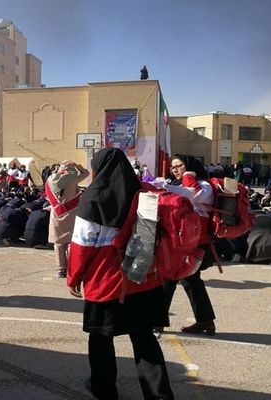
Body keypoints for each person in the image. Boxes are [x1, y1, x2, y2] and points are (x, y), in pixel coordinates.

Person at [68, 148, 174, 400]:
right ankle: (159, 395)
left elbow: (81, 246)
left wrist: (74, 278)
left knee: (101, 339)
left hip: (107, 282)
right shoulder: (144, 194)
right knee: (145, 339)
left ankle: (104, 389)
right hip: (143, 277)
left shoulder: (92, 198)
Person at [159, 154, 216, 335]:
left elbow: (193, 195)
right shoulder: (176, 185)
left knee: (169, 278)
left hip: (194, 243)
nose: (175, 169)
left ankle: (157, 321)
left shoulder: (204, 185)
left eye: (180, 166)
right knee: (191, 281)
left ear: (190, 167)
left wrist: (168, 185)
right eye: (173, 167)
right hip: (177, 241)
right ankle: (205, 321)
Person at [46, 161, 89, 278]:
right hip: (71, 212)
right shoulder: (73, 177)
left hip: (56, 213)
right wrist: (77, 165)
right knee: (70, 241)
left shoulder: (50, 179)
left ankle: (60, 269)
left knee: (58, 242)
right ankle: (71, 266)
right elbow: (86, 173)